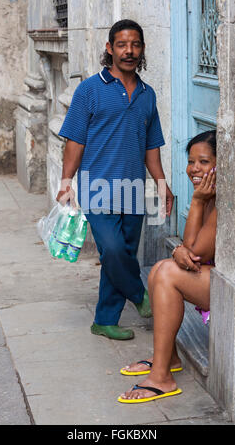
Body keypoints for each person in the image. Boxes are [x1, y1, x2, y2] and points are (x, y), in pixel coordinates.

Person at [56, 19, 174, 340]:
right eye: (122, 45)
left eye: (135, 44)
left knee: (120, 253)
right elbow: (75, 141)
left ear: (143, 49)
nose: (129, 51)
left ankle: (105, 320)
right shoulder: (90, 90)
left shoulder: (147, 96)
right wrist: (66, 181)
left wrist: (162, 184)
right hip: (97, 188)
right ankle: (139, 294)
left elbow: (152, 147)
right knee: (111, 250)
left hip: (134, 190)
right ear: (110, 49)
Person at [118, 130, 217, 402]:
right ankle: (169, 358)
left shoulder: (219, 200)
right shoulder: (208, 194)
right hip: (210, 278)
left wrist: (196, 202)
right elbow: (188, 247)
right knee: (161, 267)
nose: (194, 169)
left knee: (167, 273)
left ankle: (161, 378)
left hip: (228, 285)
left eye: (204, 162)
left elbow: (195, 252)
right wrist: (179, 251)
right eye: (191, 161)